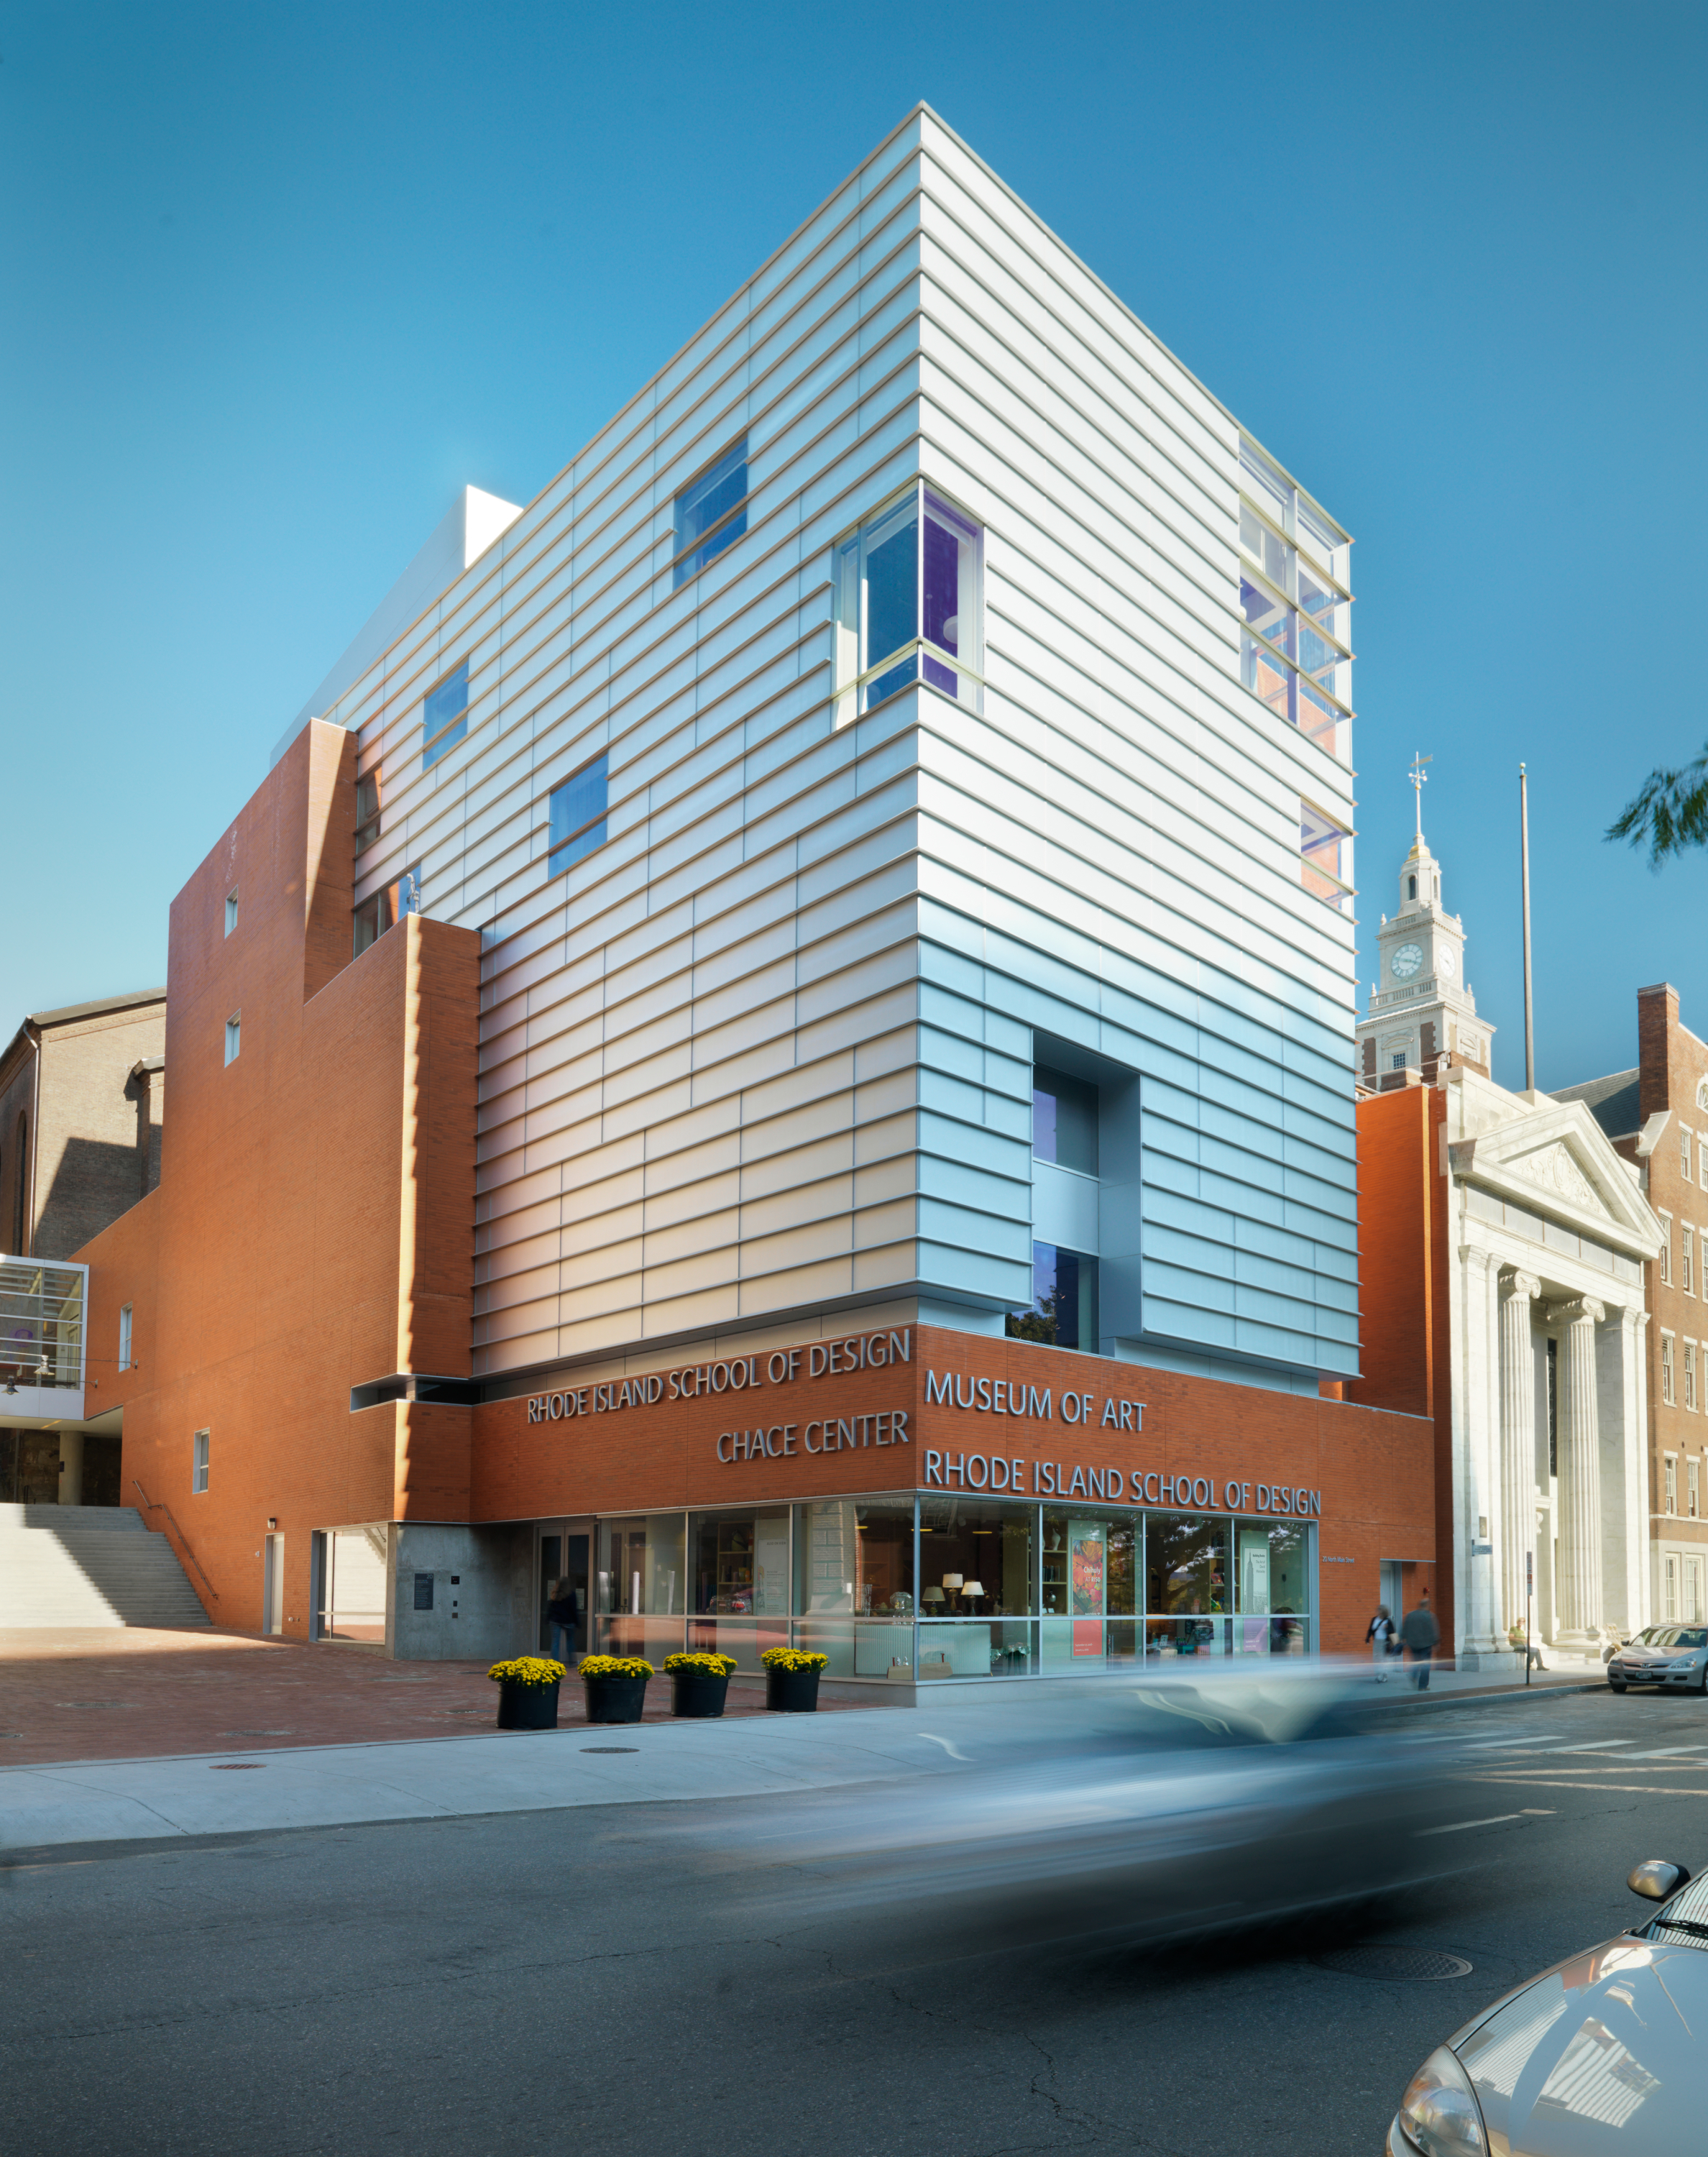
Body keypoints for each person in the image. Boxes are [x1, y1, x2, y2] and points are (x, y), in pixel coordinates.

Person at [1401, 1592, 1441, 1690]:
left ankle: (1413, 1675)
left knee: (1415, 1661)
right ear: (1427, 1605)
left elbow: (1404, 1628)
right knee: (1425, 1665)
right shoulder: (1430, 1616)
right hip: (1426, 1644)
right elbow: (1433, 1630)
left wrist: (1403, 1640)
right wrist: (1436, 1642)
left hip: (1413, 1644)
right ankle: (1423, 1686)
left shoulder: (1410, 1615)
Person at [1366, 1604, 1397, 1682]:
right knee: (1376, 1659)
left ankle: (1382, 1675)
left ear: (1383, 1612)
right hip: (1376, 1641)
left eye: (1380, 1610)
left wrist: (1387, 1628)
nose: (1378, 1612)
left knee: (1383, 1660)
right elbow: (1370, 1630)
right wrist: (1368, 1638)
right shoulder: (1374, 1619)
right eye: (1378, 1610)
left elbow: (1392, 1632)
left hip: (1384, 1642)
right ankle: (1381, 1674)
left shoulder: (1388, 1621)